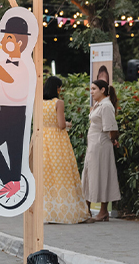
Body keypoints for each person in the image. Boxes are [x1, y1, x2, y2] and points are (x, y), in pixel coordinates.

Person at [41, 77, 93, 224]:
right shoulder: (58, 103)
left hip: (42, 140)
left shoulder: (38, 103)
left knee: (47, 177)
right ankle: (67, 212)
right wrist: (68, 124)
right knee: (63, 175)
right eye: (59, 87)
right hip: (57, 142)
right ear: (57, 88)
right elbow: (61, 124)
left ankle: (48, 213)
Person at [82, 79, 121, 222]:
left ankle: (103, 211)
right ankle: (87, 210)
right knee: (90, 175)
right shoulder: (99, 105)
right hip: (94, 145)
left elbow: (112, 127)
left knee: (101, 176)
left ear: (103, 90)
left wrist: (113, 140)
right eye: (91, 89)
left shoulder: (106, 106)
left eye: (94, 89)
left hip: (101, 146)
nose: (91, 92)